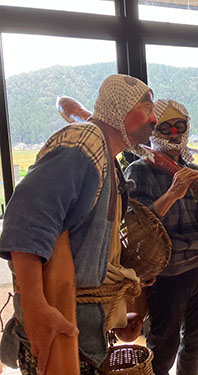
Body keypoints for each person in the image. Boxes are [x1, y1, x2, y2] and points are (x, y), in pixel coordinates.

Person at [0, 74, 156, 375]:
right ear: (118, 108)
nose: (153, 118)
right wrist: (35, 308)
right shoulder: (86, 140)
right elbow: (28, 217)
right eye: (146, 107)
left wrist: (114, 315)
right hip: (57, 328)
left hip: (81, 333)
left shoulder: (107, 156)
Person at [124, 99, 198, 375]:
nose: (174, 133)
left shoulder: (195, 171)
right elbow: (138, 227)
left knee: (197, 341)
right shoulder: (138, 169)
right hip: (166, 273)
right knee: (163, 347)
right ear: (154, 130)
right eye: (166, 127)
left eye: (179, 126)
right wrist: (173, 192)